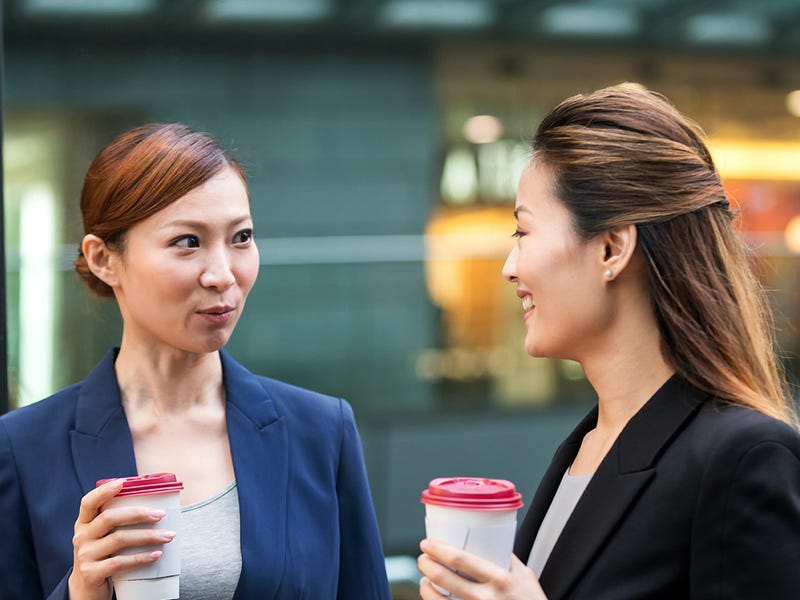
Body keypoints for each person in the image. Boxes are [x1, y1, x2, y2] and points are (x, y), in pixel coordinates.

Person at [418, 85, 800, 599]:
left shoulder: (744, 456)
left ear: (611, 249)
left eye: (522, 234)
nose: (510, 268)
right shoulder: (585, 445)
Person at [0, 123, 392, 600]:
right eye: (187, 241)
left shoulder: (321, 431)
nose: (223, 274)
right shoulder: (22, 449)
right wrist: (80, 591)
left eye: (241, 237)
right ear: (104, 259)